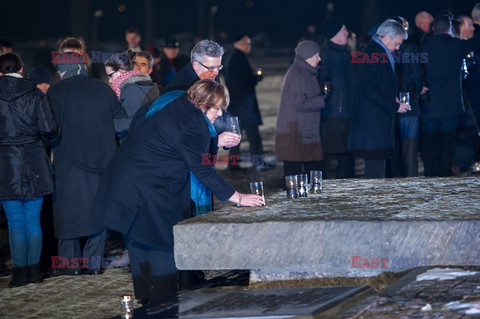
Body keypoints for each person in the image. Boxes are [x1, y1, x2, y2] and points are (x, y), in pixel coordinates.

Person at [94, 80, 264, 305]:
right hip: (143, 192)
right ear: (203, 104)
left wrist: (214, 141)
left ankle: (150, 302)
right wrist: (239, 198)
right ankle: (162, 305)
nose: (220, 114)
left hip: (130, 186)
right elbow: (202, 169)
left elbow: (185, 146)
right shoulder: (192, 122)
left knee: (143, 245)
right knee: (159, 247)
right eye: (217, 108)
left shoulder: (182, 106)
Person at [47, 52, 126, 275]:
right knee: (98, 212)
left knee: (68, 213)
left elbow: (48, 127)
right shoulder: (103, 88)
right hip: (104, 161)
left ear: (63, 71)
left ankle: (70, 266)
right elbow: (119, 123)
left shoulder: (55, 92)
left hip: (69, 162)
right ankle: (93, 264)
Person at [0, 53, 59, 287]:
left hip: (5, 162)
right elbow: (48, 128)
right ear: (21, 69)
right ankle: (34, 271)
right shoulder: (34, 93)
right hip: (34, 157)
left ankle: (19, 273)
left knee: (15, 222)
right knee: (32, 220)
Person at [349, 19, 410, 179]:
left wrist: (393, 99)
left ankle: (376, 197)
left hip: (378, 117)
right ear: (387, 37)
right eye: (397, 43)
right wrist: (393, 106)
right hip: (373, 119)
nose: (398, 48)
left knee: (379, 163)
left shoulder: (379, 52)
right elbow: (370, 89)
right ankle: (373, 199)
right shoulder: (372, 54)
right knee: (375, 167)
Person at [421, 15, 480, 177]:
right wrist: (477, 22)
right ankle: (444, 174)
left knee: (428, 142)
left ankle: (430, 173)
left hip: (430, 103)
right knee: (447, 143)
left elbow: (417, 67)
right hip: (450, 104)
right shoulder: (456, 45)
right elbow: (475, 42)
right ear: (450, 29)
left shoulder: (425, 46)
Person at [274, 41, 325, 178]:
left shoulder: (307, 72)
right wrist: (322, 99)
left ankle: (310, 196)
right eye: (317, 55)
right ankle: (293, 198)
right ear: (308, 56)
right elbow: (299, 103)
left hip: (304, 131)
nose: (319, 59)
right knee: (294, 171)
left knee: (311, 168)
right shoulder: (297, 75)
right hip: (296, 132)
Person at [318, 18, 356, 179]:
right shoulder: (326, 54)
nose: (347, 32)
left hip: (348, 112)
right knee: (329, 153)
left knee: (347, 155)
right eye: (343, 30)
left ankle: (346, 187)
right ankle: (323, 186)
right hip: (333, 114)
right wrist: (328, 97)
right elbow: (320, 81)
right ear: (335, 34)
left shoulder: (346, 52)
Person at [224, 35, 267, 172]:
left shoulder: (233, 56)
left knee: (236, 137)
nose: (250, 47)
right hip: (244, 104)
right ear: (241, 44)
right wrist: (255, 78)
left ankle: (233, 164)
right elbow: (241, 80)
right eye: (248, 44)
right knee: (253, 135)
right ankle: (258, 162)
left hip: (237, 103)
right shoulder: (238, 57)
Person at [390, 16, 424, 177]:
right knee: (410, 148)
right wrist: (418, 90)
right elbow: (417, 75)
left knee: (394, 146)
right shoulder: (410, 49)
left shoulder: (382, 51)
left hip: (390, 103)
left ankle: (394, 180)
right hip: (409, 101)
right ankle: (410, 181)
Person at [105, 52, 159, 140]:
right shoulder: (141, 86)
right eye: (135, 64)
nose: (138, 67)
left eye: (111, 75)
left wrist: (110, 124)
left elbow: (135, 121)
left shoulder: (133, 88)